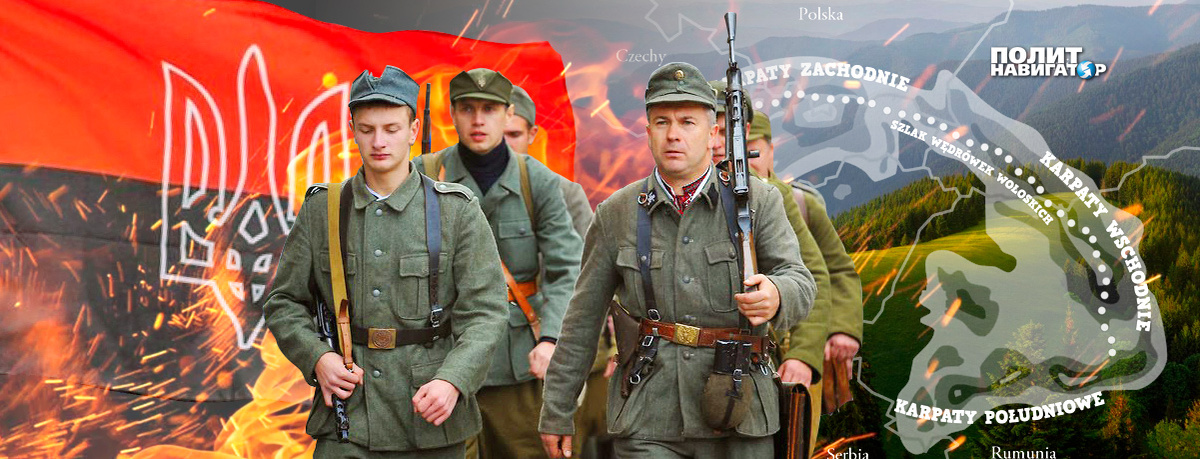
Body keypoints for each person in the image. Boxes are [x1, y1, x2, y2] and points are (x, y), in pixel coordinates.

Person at [539, 62, 816, 459]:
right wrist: (557, 410)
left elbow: (800, 280)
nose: (673, 134)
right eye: (662, 122)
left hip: (740, 411)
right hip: (649, 416)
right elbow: (582, 319)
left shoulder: (758, 201)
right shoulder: (616, 213)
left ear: (713, 133)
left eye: (687, 122)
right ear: (648, 131)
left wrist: (777, 293)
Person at [263, 65, 509, 458]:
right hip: (347, 417)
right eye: (367, 129)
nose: (379, 142)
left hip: (428, 414)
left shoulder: (456, 211)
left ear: (413, 130)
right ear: (352, 130)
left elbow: (487, 312)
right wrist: (318, 358)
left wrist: (453, 380)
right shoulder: (323, 209)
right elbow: (284, 302)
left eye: (392, 129)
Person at [412, 69, 584, 459]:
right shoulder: (422, 175)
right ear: (453, 114)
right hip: (443, 360)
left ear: (508, 114)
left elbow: (566, 268)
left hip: (516, 361)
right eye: (467, 109)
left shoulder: (536, 180)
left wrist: (551, 338)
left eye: (489, 109)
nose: (478, 120)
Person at [505, 85, 617, 458]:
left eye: (513, 134)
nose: (504, 144)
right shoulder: (458, 194)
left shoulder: (564, 193)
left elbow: (593, 276)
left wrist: (608, 346)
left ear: (532, 135)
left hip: (558, 352)